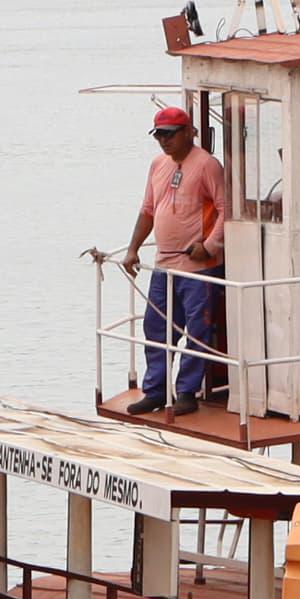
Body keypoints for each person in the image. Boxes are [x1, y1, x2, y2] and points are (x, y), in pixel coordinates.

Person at [117, 102, 231, 413]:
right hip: (165, 264)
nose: (164, 141)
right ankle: (155, 390)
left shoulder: (207, 165)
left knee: (197, 329)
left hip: (198, 266)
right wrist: (133, 249)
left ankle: (186, 392)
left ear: (187, 133)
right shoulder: (158, 165)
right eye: (159, 135)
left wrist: (209, 245)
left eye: (169, 134)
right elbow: (148, 210)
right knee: (156, 328)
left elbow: (225, 209)